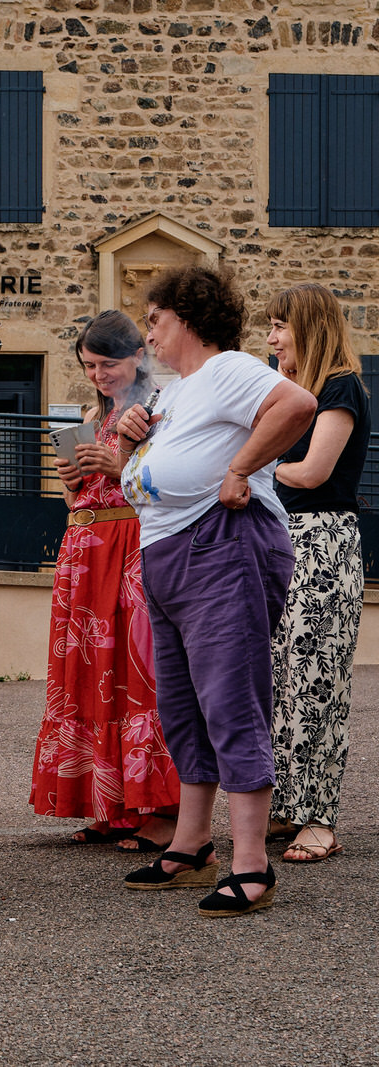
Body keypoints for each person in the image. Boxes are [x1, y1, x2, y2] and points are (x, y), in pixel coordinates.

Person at [116, 265, 316, 917]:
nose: (148, 331)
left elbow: (296, 404)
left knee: (231, 700)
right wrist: (130, 440)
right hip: (171, 555)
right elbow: (142, 481)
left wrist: (238, 469)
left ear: (190, 318)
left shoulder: (227, 369)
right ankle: (192, 843)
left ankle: (251, 863)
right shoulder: (175, 391)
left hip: (220, 546)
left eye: (155, 318)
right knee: (184, 706)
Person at [33, 311, 181, 851]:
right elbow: (77, 501)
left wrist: (117, 467)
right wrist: (73, 481)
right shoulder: (92, 416)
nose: (98, 374)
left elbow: (170, 484)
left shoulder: (160, 407)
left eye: (108, 363)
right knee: (90, 674)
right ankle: (109, 803)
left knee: (139, 674)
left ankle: (162, 812)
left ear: (139, 355)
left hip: (132, 546)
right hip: (85, 549)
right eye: (89, 365)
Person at [265, 283, 370, 864]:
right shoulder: (290, 390)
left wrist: (246, 465)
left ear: (311, 327)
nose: (273, 338)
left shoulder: (340, 386)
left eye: (282, 326)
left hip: (322, 543)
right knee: (279, 677)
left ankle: (319, 819)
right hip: (282, 539)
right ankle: (286, 802)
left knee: (316, 682)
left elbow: (312, 472)